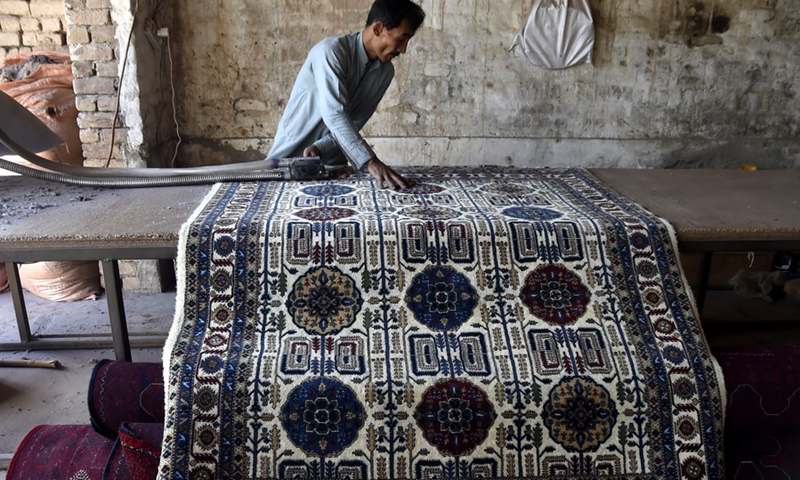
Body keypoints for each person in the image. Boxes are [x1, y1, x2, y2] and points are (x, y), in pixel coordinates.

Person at [266, 0, 425, 190]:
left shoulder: (385, 72)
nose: (403, 49)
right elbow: (335, 114)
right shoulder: (331, 52)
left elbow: (355, 121)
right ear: (378, 28)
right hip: (288, 158)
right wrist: (370, 161)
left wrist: (320, 147)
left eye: (407, 41)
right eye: (401, 39)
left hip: (333, 167)